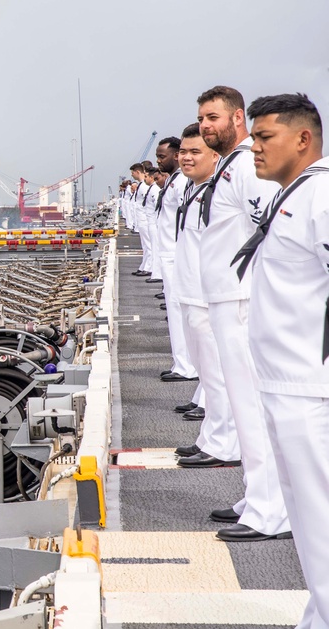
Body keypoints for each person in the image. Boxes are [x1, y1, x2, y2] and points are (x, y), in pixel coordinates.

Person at [240, 93, 328, 626]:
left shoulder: (321, 197)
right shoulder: (294, 194)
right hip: (284, 383)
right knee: (308, 520)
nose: (254, 147)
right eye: (252, 136)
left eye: (264, 137)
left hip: (310, 388)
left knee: (321, 517)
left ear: (303, 138)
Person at [187, 85, 287, 543]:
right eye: (203, 119)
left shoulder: (245, 165)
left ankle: (272, 510)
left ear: (238, 118)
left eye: (214, 117)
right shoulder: (230, 165)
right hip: (226, 298)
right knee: (244, 407)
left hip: (241, 300)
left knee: (251, 404)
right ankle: (258, 495)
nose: (207, 126)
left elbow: (269, 225)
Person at [172, 123, 237, 462]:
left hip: (206, 295)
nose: (186, 157)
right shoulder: (193, 188)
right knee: (208, 375)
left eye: (195, 151)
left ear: (214, 155)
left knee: (219, 375)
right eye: (183, 151)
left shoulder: (216, 191)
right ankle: (211, 437)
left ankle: (225, 444)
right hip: (189, 292)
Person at [153, 136, 197, 382]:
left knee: (181, 313)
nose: (159, 161)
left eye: (163, 156)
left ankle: (187, 366)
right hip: (168, 254)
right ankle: (182, 362)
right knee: (175, 311)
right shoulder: (174, 181)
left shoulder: (181, 183)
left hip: (175, 254)